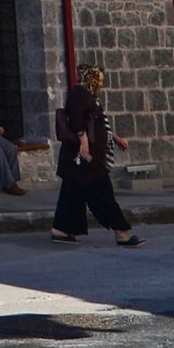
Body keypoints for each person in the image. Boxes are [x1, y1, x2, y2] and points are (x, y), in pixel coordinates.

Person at [50, 63, 144, 246]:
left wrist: (115, 138)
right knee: (102, 193)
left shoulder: (89, 97)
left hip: (80, 159)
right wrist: (84, 142)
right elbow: (77, 118)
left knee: (72, 193)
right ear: (89, 78)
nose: (100, 83)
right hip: (85, 157)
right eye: (98, 79)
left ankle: (61, 229)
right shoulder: (79, 93)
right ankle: (122, 232)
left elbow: (97, 124)